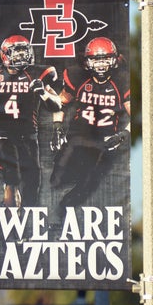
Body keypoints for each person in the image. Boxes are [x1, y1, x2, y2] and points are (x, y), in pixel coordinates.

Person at [49, 36, 131, 209]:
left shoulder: (121, 81)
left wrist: (124, 133)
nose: (101, 65)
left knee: (88, 184)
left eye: (105, 59)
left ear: (114, 60)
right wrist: (57, 127)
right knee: (56, 180)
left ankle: (64, 209)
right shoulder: (79, 77)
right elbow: (59, 103)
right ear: (87, 62)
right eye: (96, 60)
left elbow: (135, 114)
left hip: (104, 141)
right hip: (77, 137)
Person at [0, 35, 62, 208]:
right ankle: (12, 223)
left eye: (23, 53)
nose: (21, 57)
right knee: (11, 178)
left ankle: (30, 220)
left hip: (28, 134)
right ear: (5, 55)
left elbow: (57, 104)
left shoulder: (36, 73)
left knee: (33, 179)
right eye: (16, 53)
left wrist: (43, 92)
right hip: (1, 134)